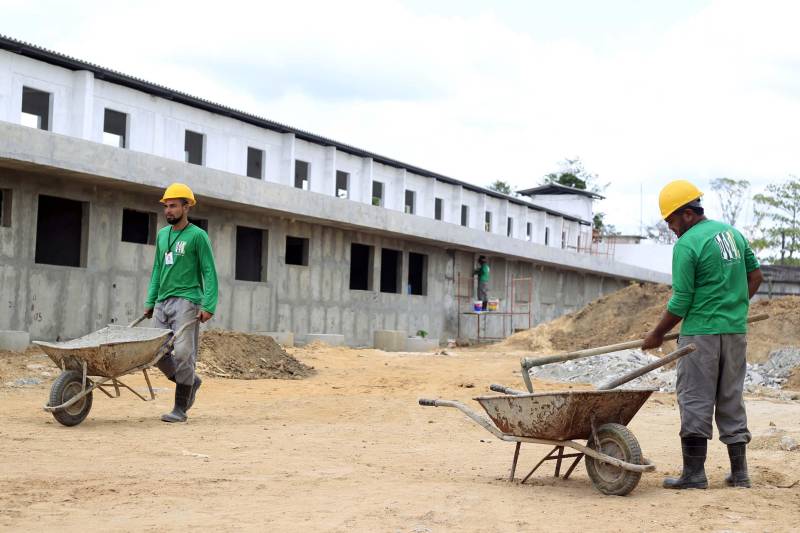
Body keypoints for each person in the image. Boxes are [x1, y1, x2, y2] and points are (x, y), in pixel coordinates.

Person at [643, 180, 763, 489]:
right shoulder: (732, 234)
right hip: (734, 332)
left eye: (671, 220)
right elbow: (755, 276)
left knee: (695, 398)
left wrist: (656, 334)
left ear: (687, 214)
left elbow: (681, 301)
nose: (670, 228)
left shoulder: (687, 244)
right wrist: (735, 307)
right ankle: (740, 475)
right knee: (731, 397)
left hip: (700, 337)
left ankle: (694, 475)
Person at [144, 183, 218, 423]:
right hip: (162, 301)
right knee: (155, 353)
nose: (169, 210)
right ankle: (190, 383)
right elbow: (157, 268)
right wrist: (150, 300)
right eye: (166, 206)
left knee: (184, 353)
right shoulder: (162, 235)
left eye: (174, 206)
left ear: (187, 207)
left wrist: (209, 305)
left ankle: (180, 408)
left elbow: (209, 271)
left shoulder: (198, 236)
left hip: (187, 301)